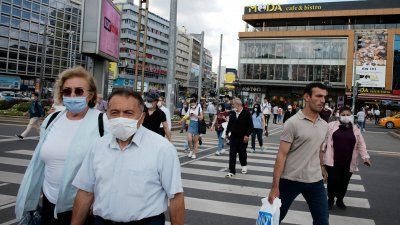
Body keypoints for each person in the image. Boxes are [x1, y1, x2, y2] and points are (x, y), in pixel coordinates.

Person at [71, 88, 185, 225]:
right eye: (115, 112)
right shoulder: (97, 146)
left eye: (128, 113)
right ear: (107, 115)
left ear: (142, 117)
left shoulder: (162, 149)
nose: (121, 118)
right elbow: (85, 192)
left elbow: (176, 196)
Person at [15, 67, 105, 225]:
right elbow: (42, 163)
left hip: (83, 207)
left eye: (78, 91)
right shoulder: (53, 119)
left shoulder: (102, 122)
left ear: (90, 94)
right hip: (49, 203)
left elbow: (108, 166)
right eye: (67, 91)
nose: (72, 95)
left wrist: (97, 199)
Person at [268, 82, 329, 224]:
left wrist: (322, 167)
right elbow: (281, 155)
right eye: (318, 96)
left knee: (322, 221)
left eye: (324, 97)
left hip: (315, 181)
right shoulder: (293, 123)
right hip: (290, 179)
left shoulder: (324, 125)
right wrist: (274, 187)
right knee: (274, 218)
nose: (323, 100)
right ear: (307, 97)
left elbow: (319, 149)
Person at [323, 106, 371, 210]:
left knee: (344, 183)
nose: (345, 117)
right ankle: (330, 200)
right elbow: (324, 141)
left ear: (352, 116)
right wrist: (320, 154)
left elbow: (361, 145)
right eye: (343, 115)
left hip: (348, 162)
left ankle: (340, 200)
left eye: (348, 115)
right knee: (332, 182)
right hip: (332, 161)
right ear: (339, 116)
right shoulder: (331, 126)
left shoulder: (355, 129)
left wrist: (365, 157)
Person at [225, 98, 253, 178]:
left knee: (242, 152)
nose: (232, 106)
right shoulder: (233, 113)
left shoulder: (246, 113)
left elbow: (250, 126)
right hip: (233, 137)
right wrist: (227, 133)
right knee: (232, 154)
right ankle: (232, 171)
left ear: (238, 105)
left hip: (243, 137)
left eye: (233, 105)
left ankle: (244, 165)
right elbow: (230, 124)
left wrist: (247, 135)